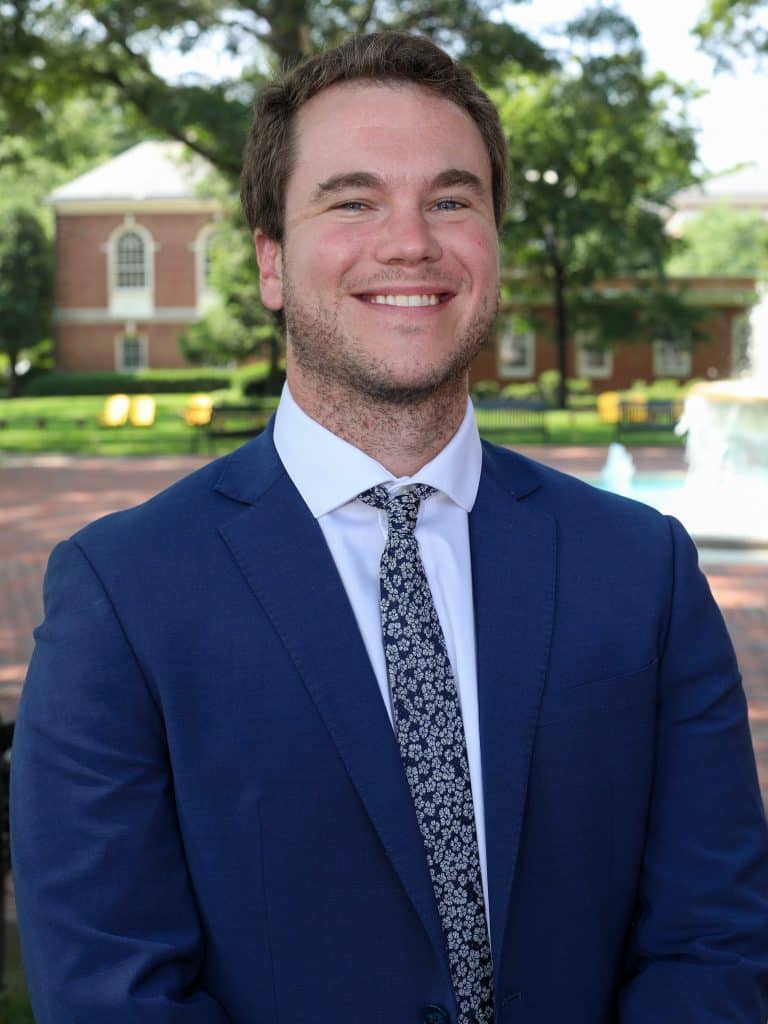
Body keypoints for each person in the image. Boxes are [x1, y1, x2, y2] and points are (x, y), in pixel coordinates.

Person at [10, 31, 768, 1024]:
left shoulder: (644, 570)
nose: (410, 241)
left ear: (492, 245)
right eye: (353, 199)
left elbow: (715, 938)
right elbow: (112, 989)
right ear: (272, 263)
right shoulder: (124, 593)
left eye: (452, 200)